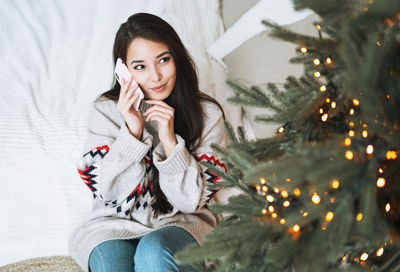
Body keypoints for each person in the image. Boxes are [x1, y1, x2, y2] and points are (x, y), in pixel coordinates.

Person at [68, 12, 233, 272]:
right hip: (112, 224)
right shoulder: (105, 112)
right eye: (140, 66)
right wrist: (132, 132)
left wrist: (170, 141)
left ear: (177, 58)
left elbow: (191, 202)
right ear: (123, 71)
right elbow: (108, 193)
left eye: (163, 60)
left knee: (153, 253)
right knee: (112, 263)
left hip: (183, 225)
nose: (156, 76)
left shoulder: (207, 115)